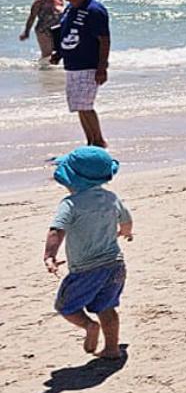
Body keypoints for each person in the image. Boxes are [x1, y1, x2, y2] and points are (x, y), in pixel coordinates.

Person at [43, 146, 132, 361]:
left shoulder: (70, 204)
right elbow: (126, 220)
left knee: (66, 306)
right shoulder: (111, 198)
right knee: (107, 307)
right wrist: (125, 232)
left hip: (85, 269)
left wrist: (49, 255)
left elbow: (57, 230)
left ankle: (89, 326)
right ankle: (112, 348)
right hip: (115, 265)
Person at [48, 0, 110, 148]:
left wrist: (102, 67)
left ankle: (99, 141)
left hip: (88, 65)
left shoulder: (94, 10)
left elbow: (104, 40)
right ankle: (90, 141)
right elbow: (65, 32)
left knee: (85, 105)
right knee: (78, 105)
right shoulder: (70, 9)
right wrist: (59, 53)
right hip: (72, 66)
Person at [20, 0, 63, 66]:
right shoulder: (39, 2)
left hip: (56, 30)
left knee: (58, 52)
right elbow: (32, 17)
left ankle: (48, 68)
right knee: (47, 54)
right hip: (43, 30)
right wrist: (26, 32)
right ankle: (43, 70)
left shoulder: (59, 0)